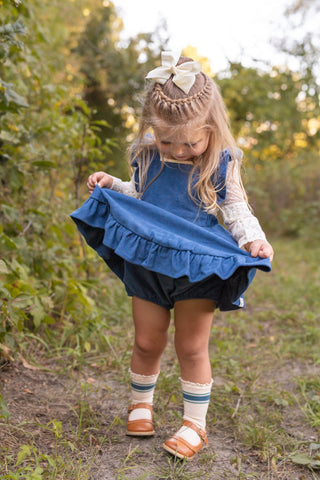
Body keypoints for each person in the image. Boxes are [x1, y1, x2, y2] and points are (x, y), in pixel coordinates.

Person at [71, 51, 273, 461]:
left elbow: (235, 208)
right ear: (151, 128)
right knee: (147, 341)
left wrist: (254, 239)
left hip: (196, 265)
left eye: (190, 142)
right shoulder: (146, 153)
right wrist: (113, 184)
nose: (179, 150)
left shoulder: (220, 160)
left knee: (191, 346)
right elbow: (140, 193)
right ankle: (139, 404)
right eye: (168, 140)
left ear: (211, 129)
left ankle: (194, 425)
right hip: (148, 261)